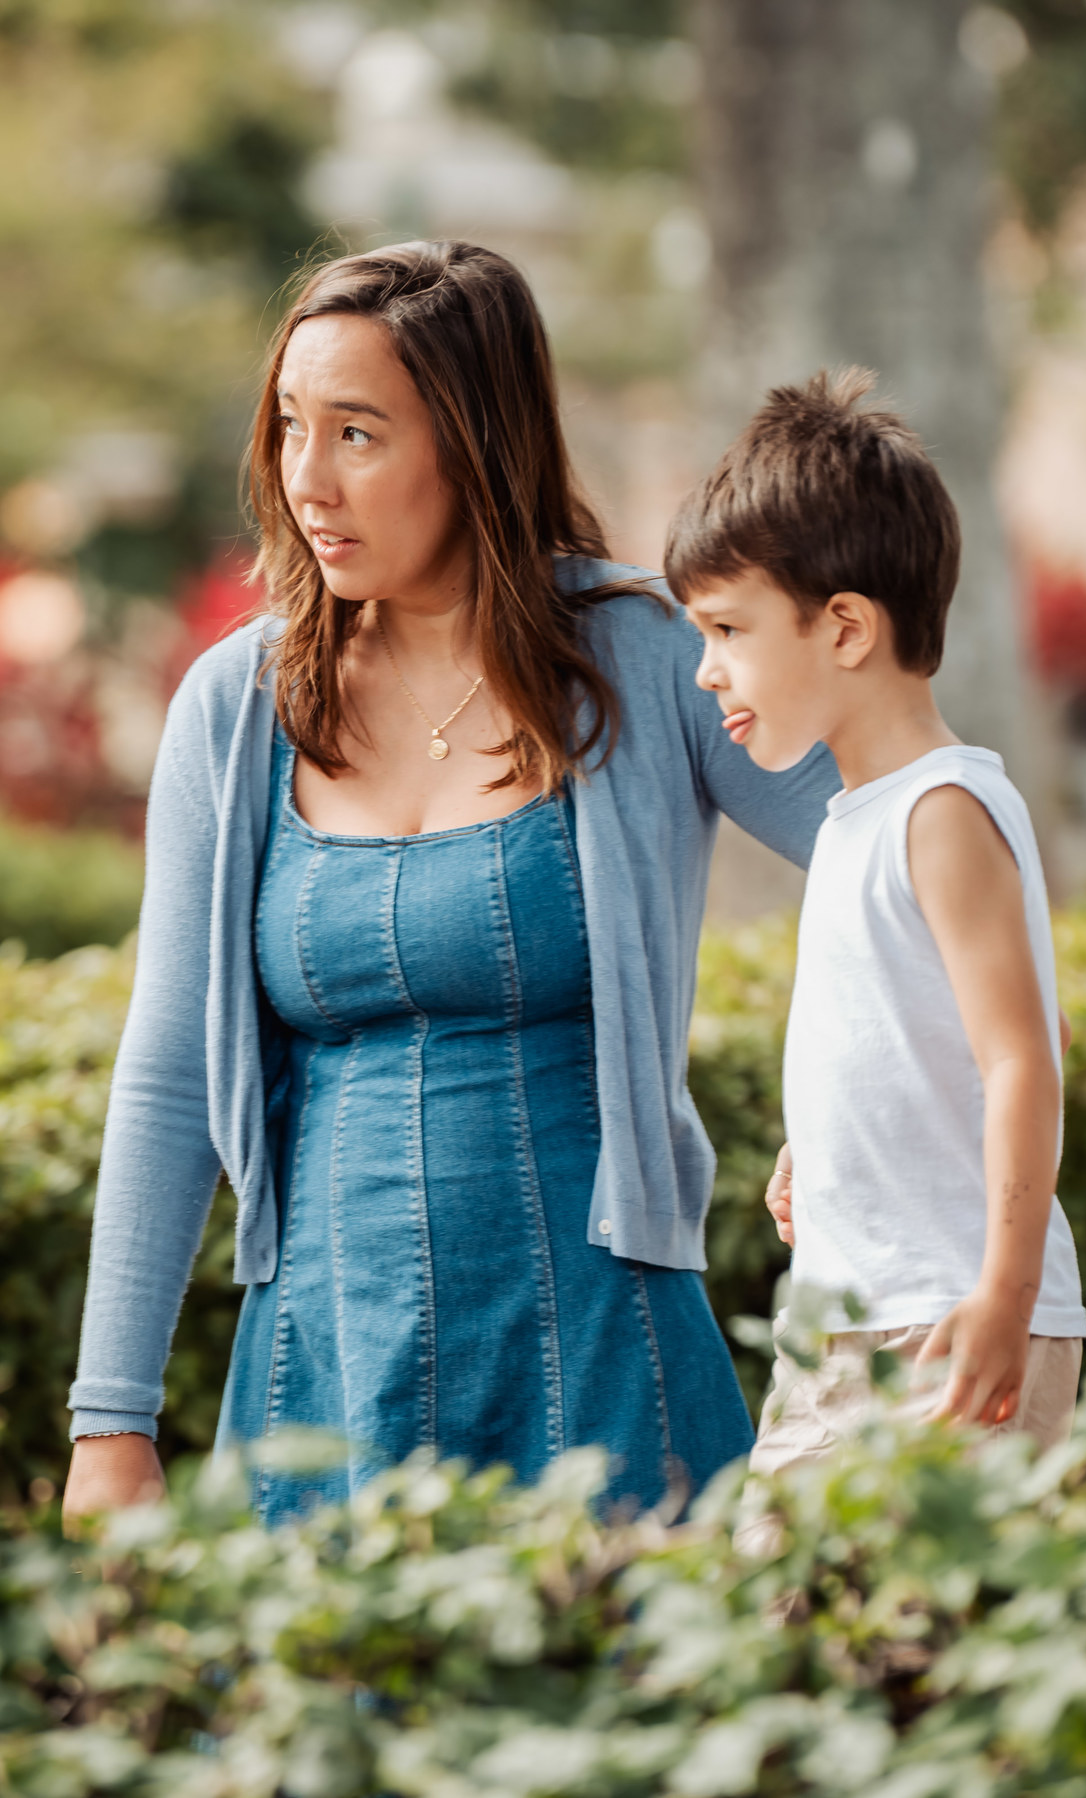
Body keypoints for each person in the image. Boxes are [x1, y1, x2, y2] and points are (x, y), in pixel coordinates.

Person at [61, 241, 840, 1531]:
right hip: (321, 1365)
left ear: (476, 444)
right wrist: (110, 1420)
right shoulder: (236, 708)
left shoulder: (647, 655)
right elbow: (167, 1073)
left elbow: (905, 846)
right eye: (291, 426)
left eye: (357, 433)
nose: (307, 479)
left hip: (604, 1350)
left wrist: (843, 1097)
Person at [664, 368, 1086, 1494]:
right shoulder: (858, 816)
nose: (705, 669)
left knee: (879, 1608)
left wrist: (1004, 1296)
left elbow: (1025, 1057)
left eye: (728, 628)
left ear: (845, 627)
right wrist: (828, 1146)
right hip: (848, 1324)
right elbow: (917, 1033)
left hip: (942, 1321)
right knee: (790, 1594)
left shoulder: (941, 812)